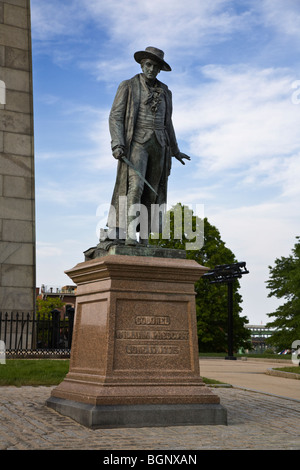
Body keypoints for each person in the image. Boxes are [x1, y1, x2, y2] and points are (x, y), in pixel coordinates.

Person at [106, 46, 190, 245]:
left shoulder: (166, 92)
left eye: (155, 66)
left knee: (152, 192)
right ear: (142, 65)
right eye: (148, 65)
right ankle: (128, 234)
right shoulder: (128, 85)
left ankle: (144, 237)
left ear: (160, 69)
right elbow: (115, 116)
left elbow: (168, 122)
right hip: (137, 142)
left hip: (160, 144)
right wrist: (117, 143)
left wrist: (175, 150)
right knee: (136, 186)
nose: (151, 69)